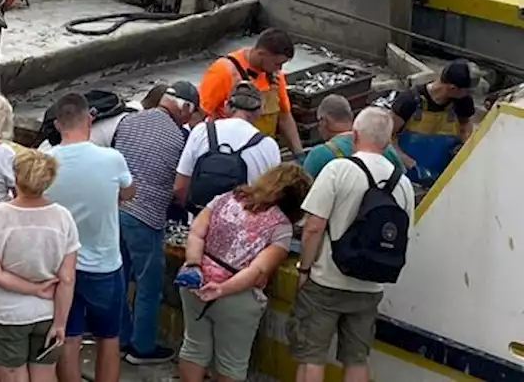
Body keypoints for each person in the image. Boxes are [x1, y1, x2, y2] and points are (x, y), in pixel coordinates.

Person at [289, 107, 415, 382]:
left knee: (312, 357)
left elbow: (313, 227)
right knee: (357, 359)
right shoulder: (402, 183)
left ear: (355, 135)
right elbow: (405, 234)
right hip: (371, 285)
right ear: (387, 140)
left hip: (326, 282)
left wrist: (304, 270)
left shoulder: (338, 170)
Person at [175, 163, 311, 382]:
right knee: (232, 362)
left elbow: (197, 233)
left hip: (196, 281)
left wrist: (193, 265)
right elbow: (258, 270)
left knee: (193, 347)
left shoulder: (226, 198)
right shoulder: (281, 226)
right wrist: (222, 288)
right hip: (236, 297)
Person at [44, 93, 135, 382]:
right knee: (108, 337)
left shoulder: (44, 162)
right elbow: (129, 193)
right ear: (90, 119)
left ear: (58, 125)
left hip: (60, 266)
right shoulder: (112, 159)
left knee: (68, 336)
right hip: (104, 264)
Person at [113, 80, 199, 365]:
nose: (190, 119)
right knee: (149, 285)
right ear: (184, 107)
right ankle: (142, 347)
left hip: (116, 209)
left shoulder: (129, 121)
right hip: (147, 216)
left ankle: (118, 337)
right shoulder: (179, 139)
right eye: (191, 112)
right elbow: (179, 187)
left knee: (119, 278)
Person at [0, 150, 79, 382]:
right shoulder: (63, 217)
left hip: (6, 311)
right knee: (44, 372)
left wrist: (33, 288)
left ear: (16, 178)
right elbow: (67, 278)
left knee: (13, 373)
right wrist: (61, 322)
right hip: (49, 310)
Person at [175, 82, 283, 209]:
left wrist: (195, 215)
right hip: (245, 224)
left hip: (202, 221)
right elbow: (272, 196)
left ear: (227, 106)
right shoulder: (269, 146)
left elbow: (179, 187)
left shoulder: (202, 131)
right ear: (259, 110)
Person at [197, 29, 304, 155]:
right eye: (277, 63)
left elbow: (285, 116)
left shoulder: (275, 76)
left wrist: (299, 153)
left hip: (263, 151)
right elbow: (200, 115)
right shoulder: (223, 71)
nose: (280, 69)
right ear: (261, 53)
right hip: (230, 153)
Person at [389, 59, 476, 182]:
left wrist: (464, 148)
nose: (468, 93)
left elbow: (466, 125)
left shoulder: (462, 102)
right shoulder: (409, 101)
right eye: (466, 90)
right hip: (408, 175)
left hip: (443, 176)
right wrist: (405, 160)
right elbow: (387, 137)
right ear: (452, 88)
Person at [302, 94, 404, 179]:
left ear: (325, 121)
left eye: (319, 121)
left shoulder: (319, 155)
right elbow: (402, 177)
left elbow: (300, 193)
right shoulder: (383, 147)